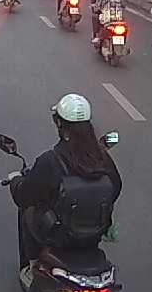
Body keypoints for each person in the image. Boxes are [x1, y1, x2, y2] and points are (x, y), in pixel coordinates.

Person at [8, 94, 122, 275]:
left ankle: (31, 267)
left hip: (59, 237)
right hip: (95, 235)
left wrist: (15, 180)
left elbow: (23, 196)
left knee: (27, 209)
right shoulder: (102, 158)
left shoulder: (50, 161)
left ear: (59, 124)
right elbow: (116, 187)